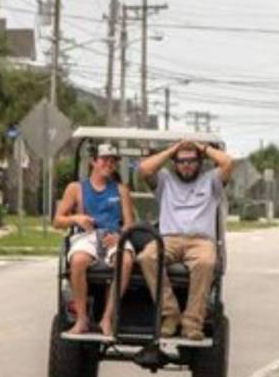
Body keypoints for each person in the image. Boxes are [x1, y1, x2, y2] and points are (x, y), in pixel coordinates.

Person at [138, 139, 232, 340]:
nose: (186, 165)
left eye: (191, 160)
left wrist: (201, 147)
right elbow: (145, 168)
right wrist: (173, 148)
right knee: (147, 257)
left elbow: (228, 163)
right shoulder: (165, 180)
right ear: (174, 163)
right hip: (169, 239)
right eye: (181, 161)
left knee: (206, 262)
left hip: (200, 241)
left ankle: (192, 323)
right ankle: (170, 314)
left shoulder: (211, 180)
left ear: (200, 162)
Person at [53, 141, 136, 340]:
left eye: (112, 161)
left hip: (113, 236)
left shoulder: (120, 190)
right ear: (93, 162)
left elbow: (130, 223)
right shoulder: (76, 189)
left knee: (124, 261)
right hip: (87, 235)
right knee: (78, 260)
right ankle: (81, 319)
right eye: (104, 160)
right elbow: (57, 220)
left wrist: (121, 235)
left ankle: (107, 318)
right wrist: (76, 218)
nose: (109, 164)